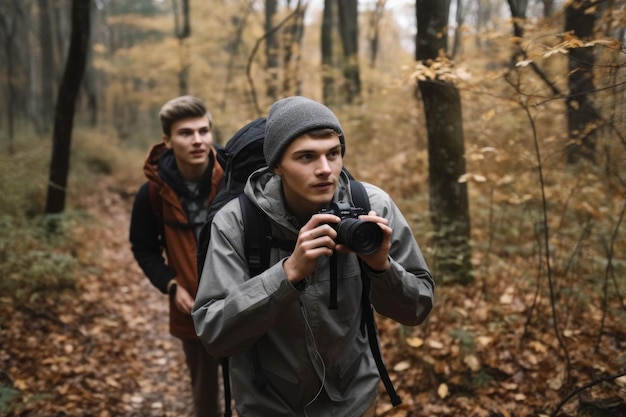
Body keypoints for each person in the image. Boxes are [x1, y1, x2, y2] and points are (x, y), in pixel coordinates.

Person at [192, 96, 435, 417]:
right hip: (267, 404)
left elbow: (417, 309)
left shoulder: (374, 207)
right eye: (306, 157)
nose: (325, 170)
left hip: (351, 401)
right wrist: (288, 273)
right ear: (276, 165)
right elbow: (214, 334)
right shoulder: (237, 222)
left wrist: (381, 267)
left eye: (333, 154)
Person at [129, 95, 224, 417]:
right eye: (186, 133)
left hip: (246, 302)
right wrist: (171, 285)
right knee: (206, 397)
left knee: (256, 391)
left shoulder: (234, 179)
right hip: (193, 309)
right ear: (168, 141)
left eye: (203, 130)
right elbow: (143, 248)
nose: (197, 140)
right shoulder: (153, 193)